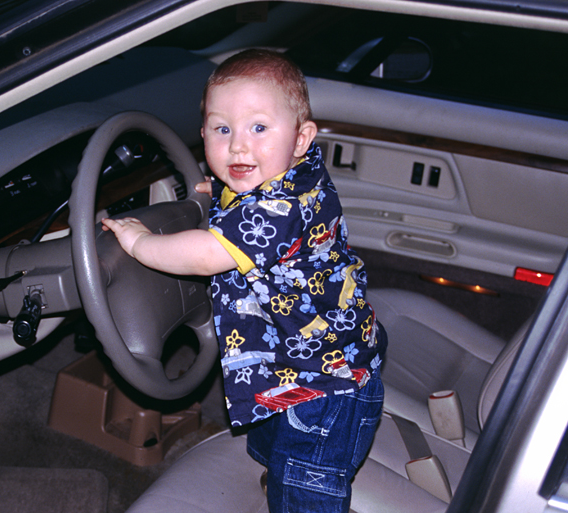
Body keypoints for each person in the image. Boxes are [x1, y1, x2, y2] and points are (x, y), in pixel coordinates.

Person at [102, 49, 386, 512]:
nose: (238, 147)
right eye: (222, 129)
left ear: (301, 137)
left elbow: (205, 254)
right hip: (311, 364)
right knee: (279, 453)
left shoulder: (275, 212)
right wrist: (224, 192)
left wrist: (138, 243)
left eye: (258, 128)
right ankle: (280, 484)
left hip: (323, 390)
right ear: (203, 134)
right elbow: (261, 210)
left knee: (305, 482)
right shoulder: (298, 176)